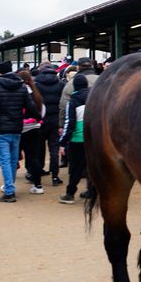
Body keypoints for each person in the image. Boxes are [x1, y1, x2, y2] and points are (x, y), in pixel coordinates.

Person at [0, 61, 37, 202]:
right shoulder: (22, 87)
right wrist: (39, 117)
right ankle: (10, 186)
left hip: (0, 129)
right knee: (13, 159)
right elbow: (30, 106)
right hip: (17, 128)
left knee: (5, 160)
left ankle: (9, 191)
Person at [59, 72, 90, 203]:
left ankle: (70, 194)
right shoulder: (94, 98)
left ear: (75, 87)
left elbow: (69, 123)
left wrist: (62, 142)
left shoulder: (73, 102)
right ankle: (92, 191)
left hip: (77, 139)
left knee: (75, 168)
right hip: (92, 139)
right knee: (91, 167)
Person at [33, 63, 65, 186]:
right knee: (54, 149)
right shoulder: (61, 84)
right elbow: (63, 104)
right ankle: (55, 177)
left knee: (39, 149)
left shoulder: (36, 85)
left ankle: (39, 172)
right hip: (55, 121)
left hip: (40, 121)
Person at [17, 69, 46, 194]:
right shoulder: (36, 94)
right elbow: (43, 111)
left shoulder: (18, 93)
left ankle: (9, 185)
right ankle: (38, 185)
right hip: (35, 128)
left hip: (19, 129)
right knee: (34, 157)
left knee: (13, 158)